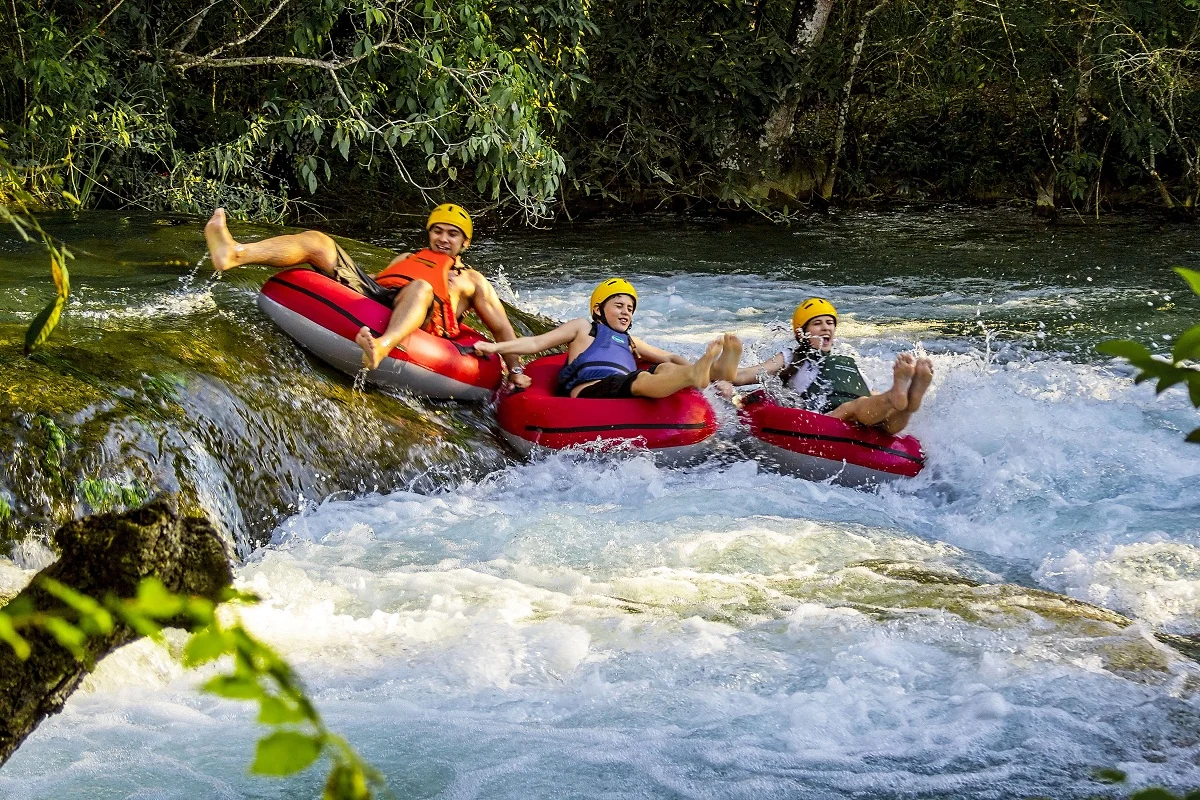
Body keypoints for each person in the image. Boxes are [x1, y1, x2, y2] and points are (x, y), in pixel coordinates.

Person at [204, 203, 530, 385]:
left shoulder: (473, 280)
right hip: (380, 297)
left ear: (465, 242)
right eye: (438, 231)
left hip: (424, 317)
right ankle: (235, 253)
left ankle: (381, 347)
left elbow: (502, 328)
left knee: (421, 286)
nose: (444, 239)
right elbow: (377, 282)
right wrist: (335, 279)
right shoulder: (407, 259)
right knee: (319, 242)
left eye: (453, 234)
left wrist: (514, 371)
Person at [474, 278, 742, 399]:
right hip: (592, 389)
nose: (625, 312)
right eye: (618, 305)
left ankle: (714, 372)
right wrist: (495, 346)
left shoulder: (631, 341)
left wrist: (688, 367)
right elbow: (535, 344)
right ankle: (695, 375)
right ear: (598, 309)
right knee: (641, 379)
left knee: (665, 367)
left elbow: (670, 356)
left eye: (630, 308)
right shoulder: (583, 328)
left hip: (622, 386)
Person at [720, 297, 933, 434]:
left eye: (830, 323)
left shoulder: (845, 361)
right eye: (817, 323)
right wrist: (725, 378)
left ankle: (908, 402)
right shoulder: (791, 357)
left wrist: (885, 401)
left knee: (887, 421)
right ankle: (899, 397)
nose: (826, 328)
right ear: (801, 333)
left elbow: (870, 394)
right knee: (853, 407)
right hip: (824, 419)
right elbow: (748, 374)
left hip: (863, 415)